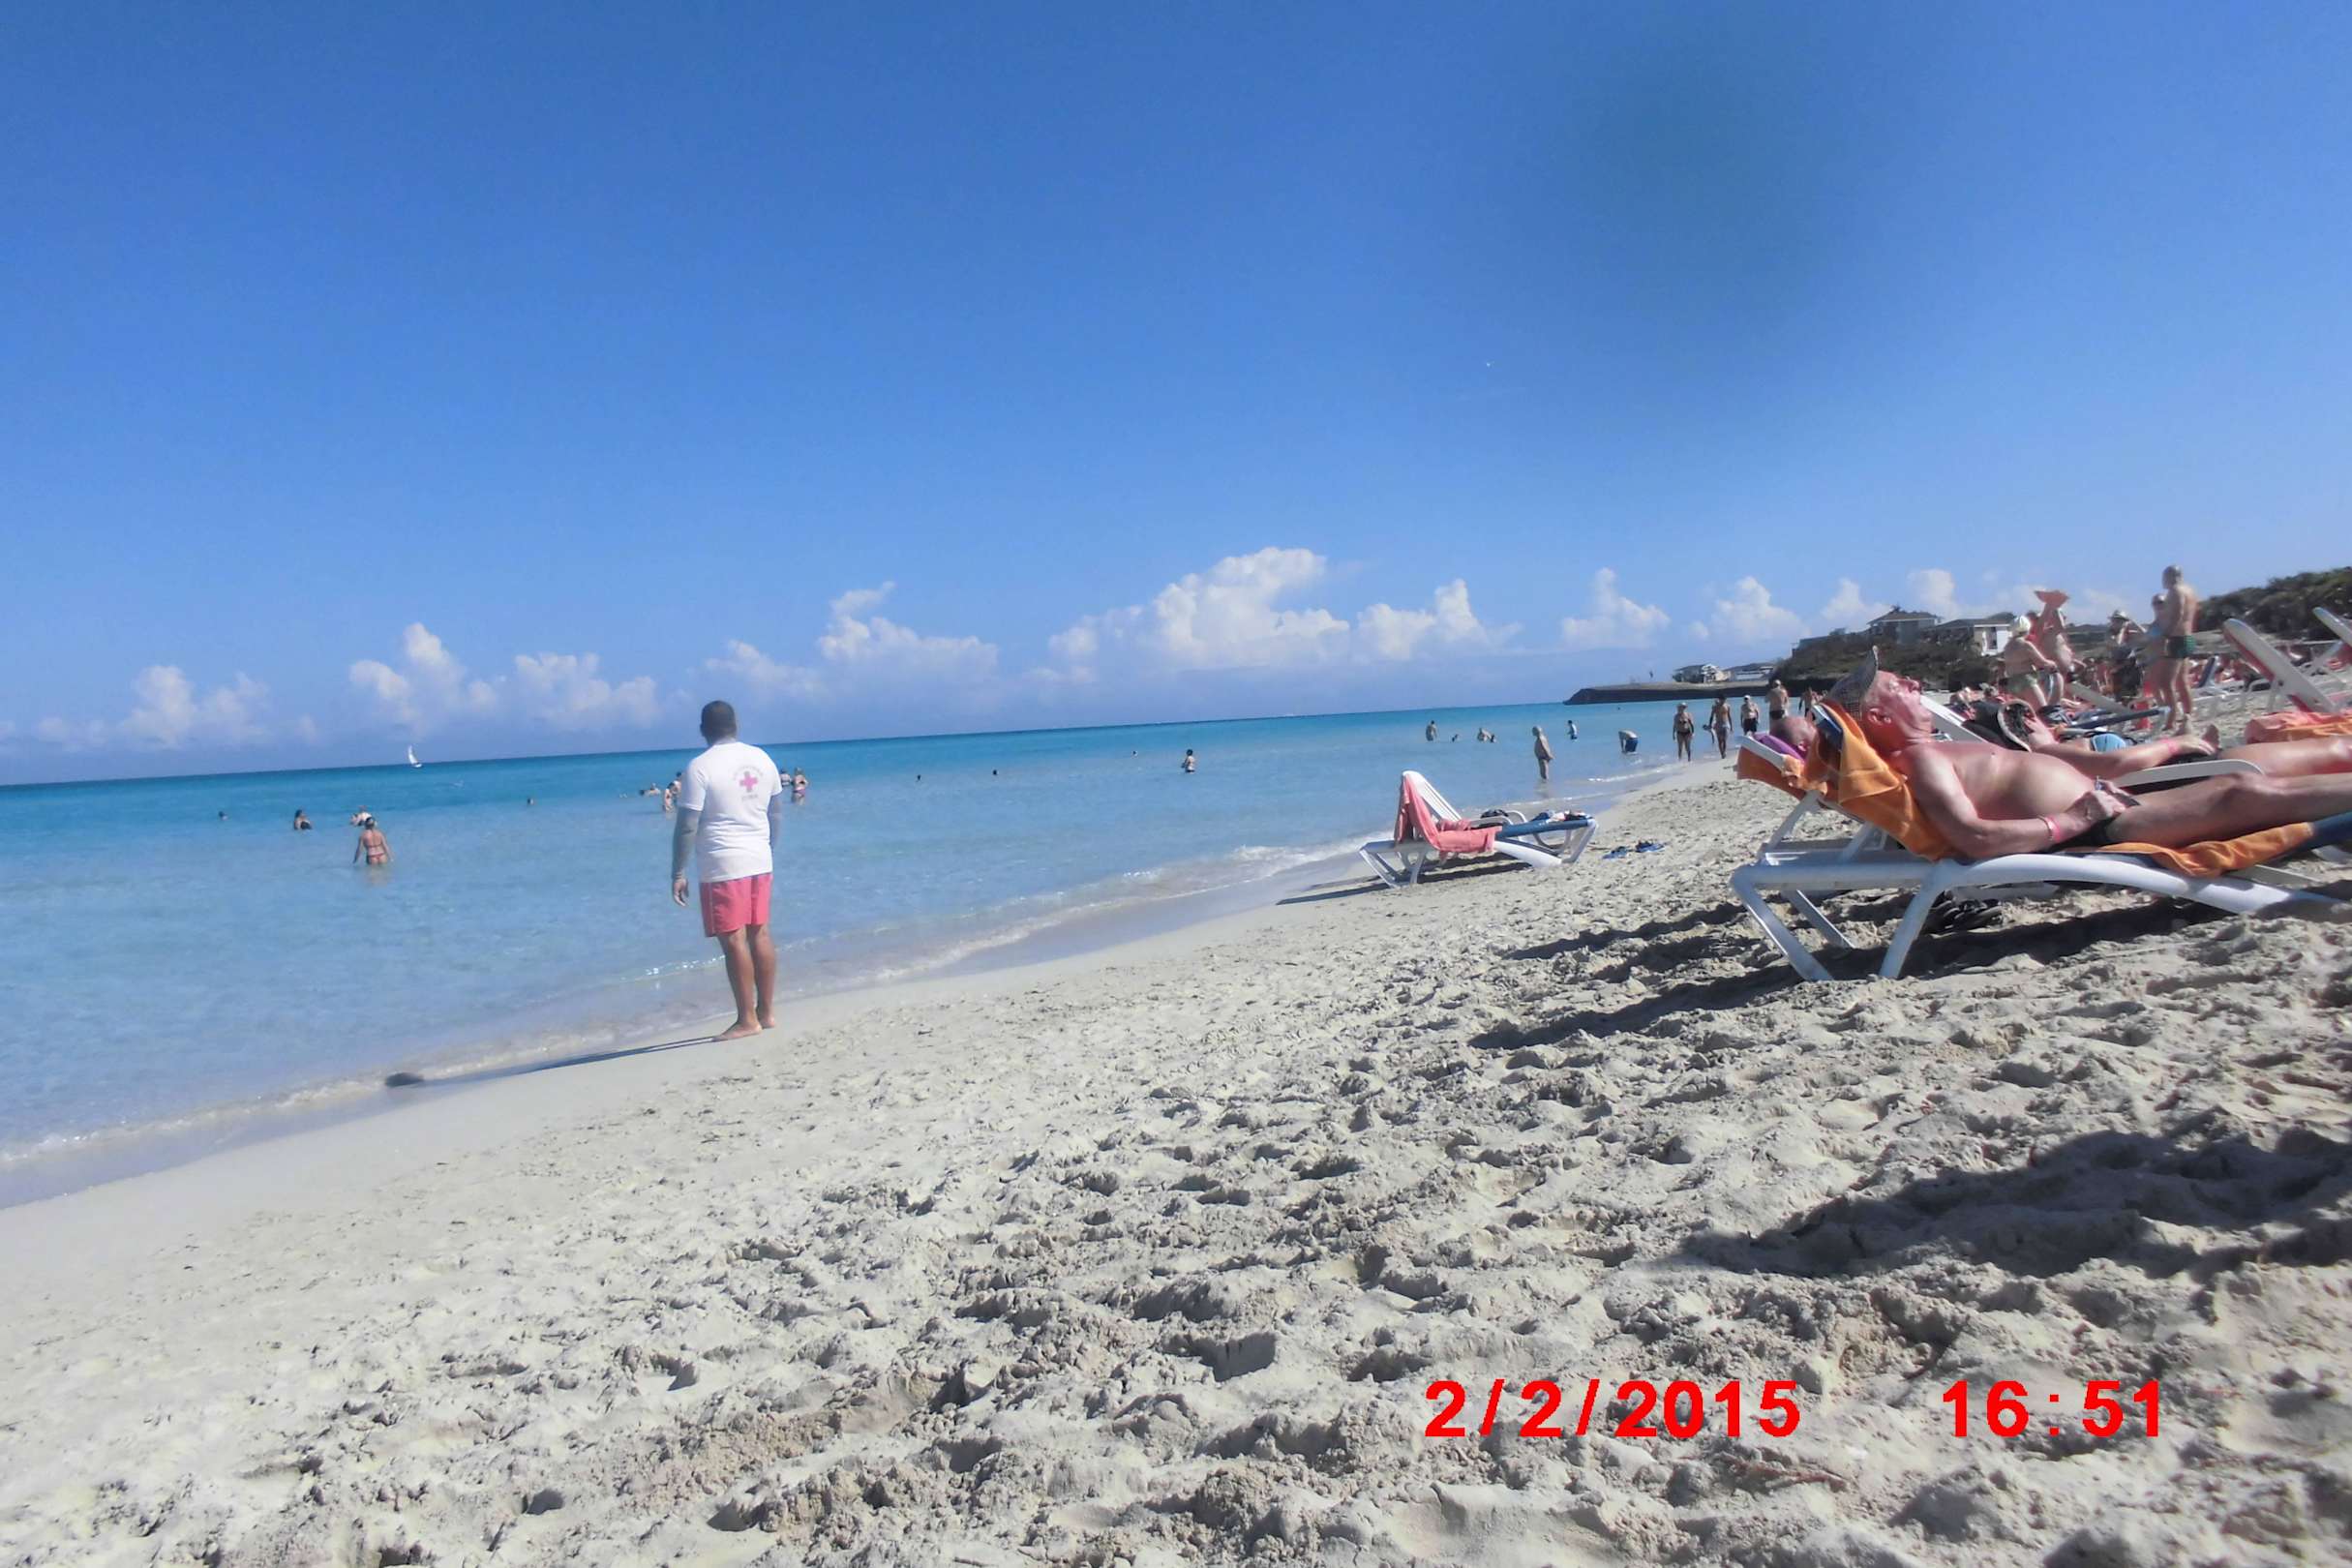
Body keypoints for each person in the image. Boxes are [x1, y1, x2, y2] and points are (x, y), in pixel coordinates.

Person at [1826, 649, 2352, 853]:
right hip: (2102, 826)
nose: (1916, 684)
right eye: (1899, 687)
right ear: (1880, 719)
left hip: (2111, 803)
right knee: (2241, 791)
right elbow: (1974, 837)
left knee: (2245, 781)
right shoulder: (1921, 762)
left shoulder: (1933, 753)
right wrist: (2074, 819)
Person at [671, 700, 783, 1041]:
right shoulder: (762, 758)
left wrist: (678, 871)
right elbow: (776, 813)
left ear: (703, 730)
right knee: (760, 934)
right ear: (736, 725)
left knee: (734, 939)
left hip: (723, 862)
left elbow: (687, 825)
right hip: (759, 858)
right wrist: (767, 848)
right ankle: (766, 1012)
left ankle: (747, 1019)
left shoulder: (699, 767)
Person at [2150, 565, 2201, 736]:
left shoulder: (2175, 591)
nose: (2162, 581)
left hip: (2176, 638)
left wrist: (2166, 635)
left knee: (2166, 683)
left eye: (2163, 577)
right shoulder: (2190, 591)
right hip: (2187, 637)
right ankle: (2188, 714)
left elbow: (2177, 614)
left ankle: (2171, 719)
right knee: (2182, 681)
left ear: (2169, 576)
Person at [1705, 696, 1733, 760]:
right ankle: (1722, 754)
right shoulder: (1715, 707)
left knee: (1725, 740)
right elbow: (1711, 716)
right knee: (1720, 741)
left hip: (1726, 724)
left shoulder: (1727, 706)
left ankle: (1724, 752)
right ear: (1720, 700)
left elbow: (1729, 716)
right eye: (1722, 699)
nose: (1723, 701)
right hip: (1718, 725)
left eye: (1724, 699)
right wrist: (1710, 724)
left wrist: (1731, 726)